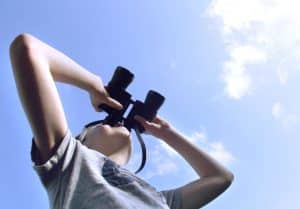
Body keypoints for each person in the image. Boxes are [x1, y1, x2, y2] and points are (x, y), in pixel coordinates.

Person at [9, 33, 234, 209]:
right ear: (81, 139)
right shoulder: (68, 164)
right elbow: (27, 49)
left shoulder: (157, 198)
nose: (118, 123)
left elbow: (221, 177)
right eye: (104, 122)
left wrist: (167, 133)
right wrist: (93, 84)